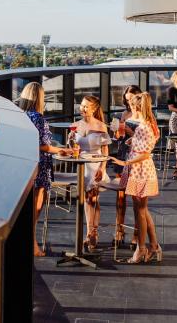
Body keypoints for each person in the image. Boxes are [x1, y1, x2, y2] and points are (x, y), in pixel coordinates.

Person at [17, 82, 72, 257]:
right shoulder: (38, 118)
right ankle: (31, 245)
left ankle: (28, 244)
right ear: (39, 97)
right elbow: (42, 145)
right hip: (40, 166)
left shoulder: (22, 116)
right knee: (36, 209)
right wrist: (62, 150)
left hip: (27, 163)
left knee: (31, 208)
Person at [111, 92, 162, 264]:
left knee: (140, 210)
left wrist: (123, 161)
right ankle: (153, 246)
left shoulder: (144, 126)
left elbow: (145, 153)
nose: (130, 109)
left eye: (132, 106)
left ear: (137, 107)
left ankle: (142, 249)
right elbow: (147, 144)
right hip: (140, 169)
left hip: (139, 169)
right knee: (142, 209)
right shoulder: (150, 124)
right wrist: (131, 140)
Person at [71, 95, 111, 252]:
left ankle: (90, 233)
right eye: (81, 105)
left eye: (86, 106)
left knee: (92, 199)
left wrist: (103, 168)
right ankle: (92, 232)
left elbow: (106, 149)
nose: (82, 109)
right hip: (82, 164)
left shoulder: (101, 126)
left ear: (94, 109)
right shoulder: (76, 125)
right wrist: (71, 140)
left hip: (96, 164)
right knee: (90, 200)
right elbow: (75, 147)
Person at [111, 84, 141, 247]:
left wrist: (128, 131)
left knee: (137, 198)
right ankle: (119, 230)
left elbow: (146, 138)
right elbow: (120, 136)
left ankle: (136, 234)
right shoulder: (124, 113)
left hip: (137, 156)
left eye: (131, 99)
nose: (129, 102)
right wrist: (117, 132)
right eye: (126, 99)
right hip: (123, 152)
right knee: (120, 197)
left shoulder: (144, 115)